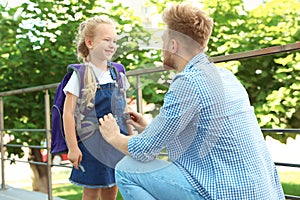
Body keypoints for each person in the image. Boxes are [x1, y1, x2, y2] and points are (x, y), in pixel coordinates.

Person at [99, 3, 285, 200]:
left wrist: (113, 136)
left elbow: (144, 151)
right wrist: (149, 129)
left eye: (163, 41)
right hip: (264, 192)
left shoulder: (189, 81)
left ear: (173, 45)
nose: (161, 48)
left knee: (126, 170)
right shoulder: (226, 76)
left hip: (224, 194)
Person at [63, 15, 132, 200]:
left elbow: (124, 109)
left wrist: (131, 136)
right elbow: (68, 113)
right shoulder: (80, 75)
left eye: (114, 41)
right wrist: (72, 147)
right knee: (92, 191)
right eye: (106, 40)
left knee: (113, 186)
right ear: (90, 43)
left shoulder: (117, 74)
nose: (112, 45)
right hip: (92, 143)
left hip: (117, 141)